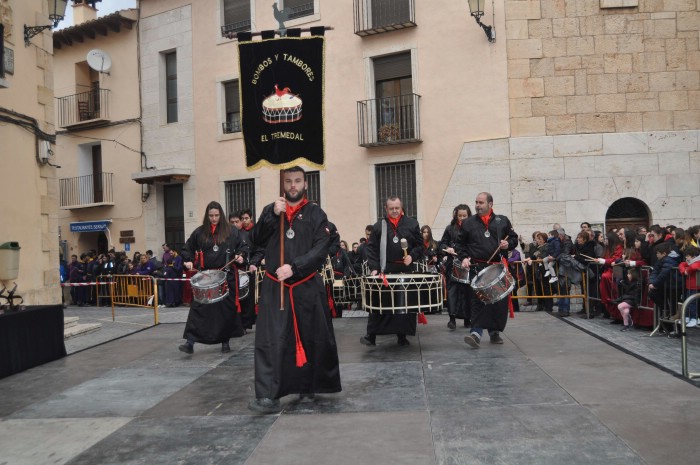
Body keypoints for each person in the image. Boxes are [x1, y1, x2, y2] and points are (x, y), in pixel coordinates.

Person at [248, 166, 341, 414]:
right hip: (274, 287)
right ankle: (269, 394)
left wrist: (296, 267)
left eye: (297, 181)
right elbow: (255, 239)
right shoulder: (272, 210)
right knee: (271, 340)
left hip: (305, 285)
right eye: (288, 181)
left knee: (311, 337)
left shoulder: (316, 213)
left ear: (305, 184)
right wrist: (270, 215)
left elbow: (321, 248)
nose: (292, 185)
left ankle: (307, 384)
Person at [179, 201, 248, 355]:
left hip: (226, 276)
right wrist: (188, 260)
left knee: (225, 311)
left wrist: (241, 256)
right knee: (198, 309)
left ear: (221, 215)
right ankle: (190, 342)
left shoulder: (231, 231)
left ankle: (225, 342)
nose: (214, 218)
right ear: (207, 216)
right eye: (211, 216)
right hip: (206, 276)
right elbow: (187, 248)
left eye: (216, 215)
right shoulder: (199, 232)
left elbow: (243, 248)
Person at [458, 192, 518, 348]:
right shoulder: (468, 223)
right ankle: (476, 333)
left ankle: (494, 332)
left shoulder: (502, 221)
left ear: (490, 204)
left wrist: (508, 244)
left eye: (481, 202)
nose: (477, 205)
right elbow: (460, 244)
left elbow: (513, 238)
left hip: (497, 267)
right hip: (477, 267)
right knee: (477, 300)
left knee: (497, 302)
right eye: (476, 202)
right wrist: (464, 257)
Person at [361, 196, 424, 347]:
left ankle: (402, 336)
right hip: (385, 270)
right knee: (379, 302)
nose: (394, 211)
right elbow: (372, 249)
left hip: (405, 270)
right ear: (386, 209)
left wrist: (412, 256)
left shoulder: (412, 224)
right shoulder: (378, 226)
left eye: (397, 208)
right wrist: (374, 267)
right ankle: (372, 336)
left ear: (401, 207)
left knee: (405, 305)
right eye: (391, 208)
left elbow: (420, 245)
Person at [439, 204, 473, 329]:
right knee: (452, 292)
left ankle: (467, 319)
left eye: (465, 216)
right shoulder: (450, 228)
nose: (462, 218)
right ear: (455, 215)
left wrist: (470, 256)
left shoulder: (473, 229)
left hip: (467, 264)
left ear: (469, 216)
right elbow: (442, 244)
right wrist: (447, 249)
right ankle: (452, 318)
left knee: (467, 293)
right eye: (460, 215)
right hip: (452, 264)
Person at [679, 246, 700, 328]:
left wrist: (686, 270)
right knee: (687, 302)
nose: (686, 258)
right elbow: (681, 264)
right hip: (690, 286)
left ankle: (694, 318)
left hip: (695, 287)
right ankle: (688, 316)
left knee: (693, 304)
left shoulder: (697, 262)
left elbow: (693, 267)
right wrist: (684, 270)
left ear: (694, 257)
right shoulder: (691, 262)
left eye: (688, 256)